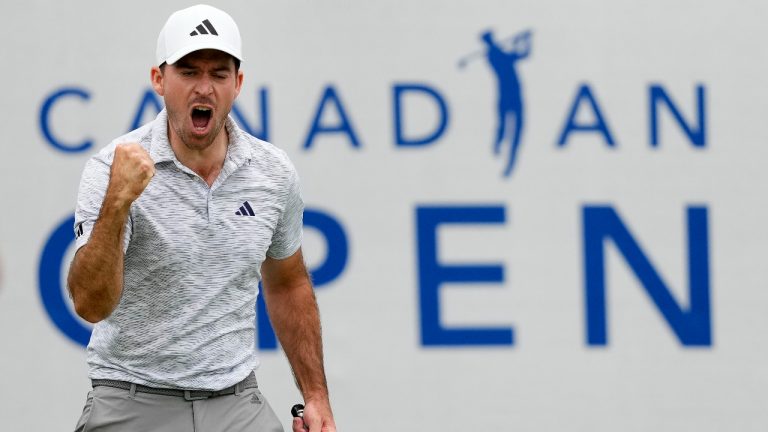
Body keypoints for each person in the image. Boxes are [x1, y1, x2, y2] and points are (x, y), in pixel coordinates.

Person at [67, 5, 335, 432]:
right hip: (132, 397)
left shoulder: (272, 171)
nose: (204, 88)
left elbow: (288, 282)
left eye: (219, 73)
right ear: (159, 79)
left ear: (238, 83)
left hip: (236, 400)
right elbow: (89, 304)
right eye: (189, 72)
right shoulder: (111, 169)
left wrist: (316, 397)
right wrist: (118, 202)